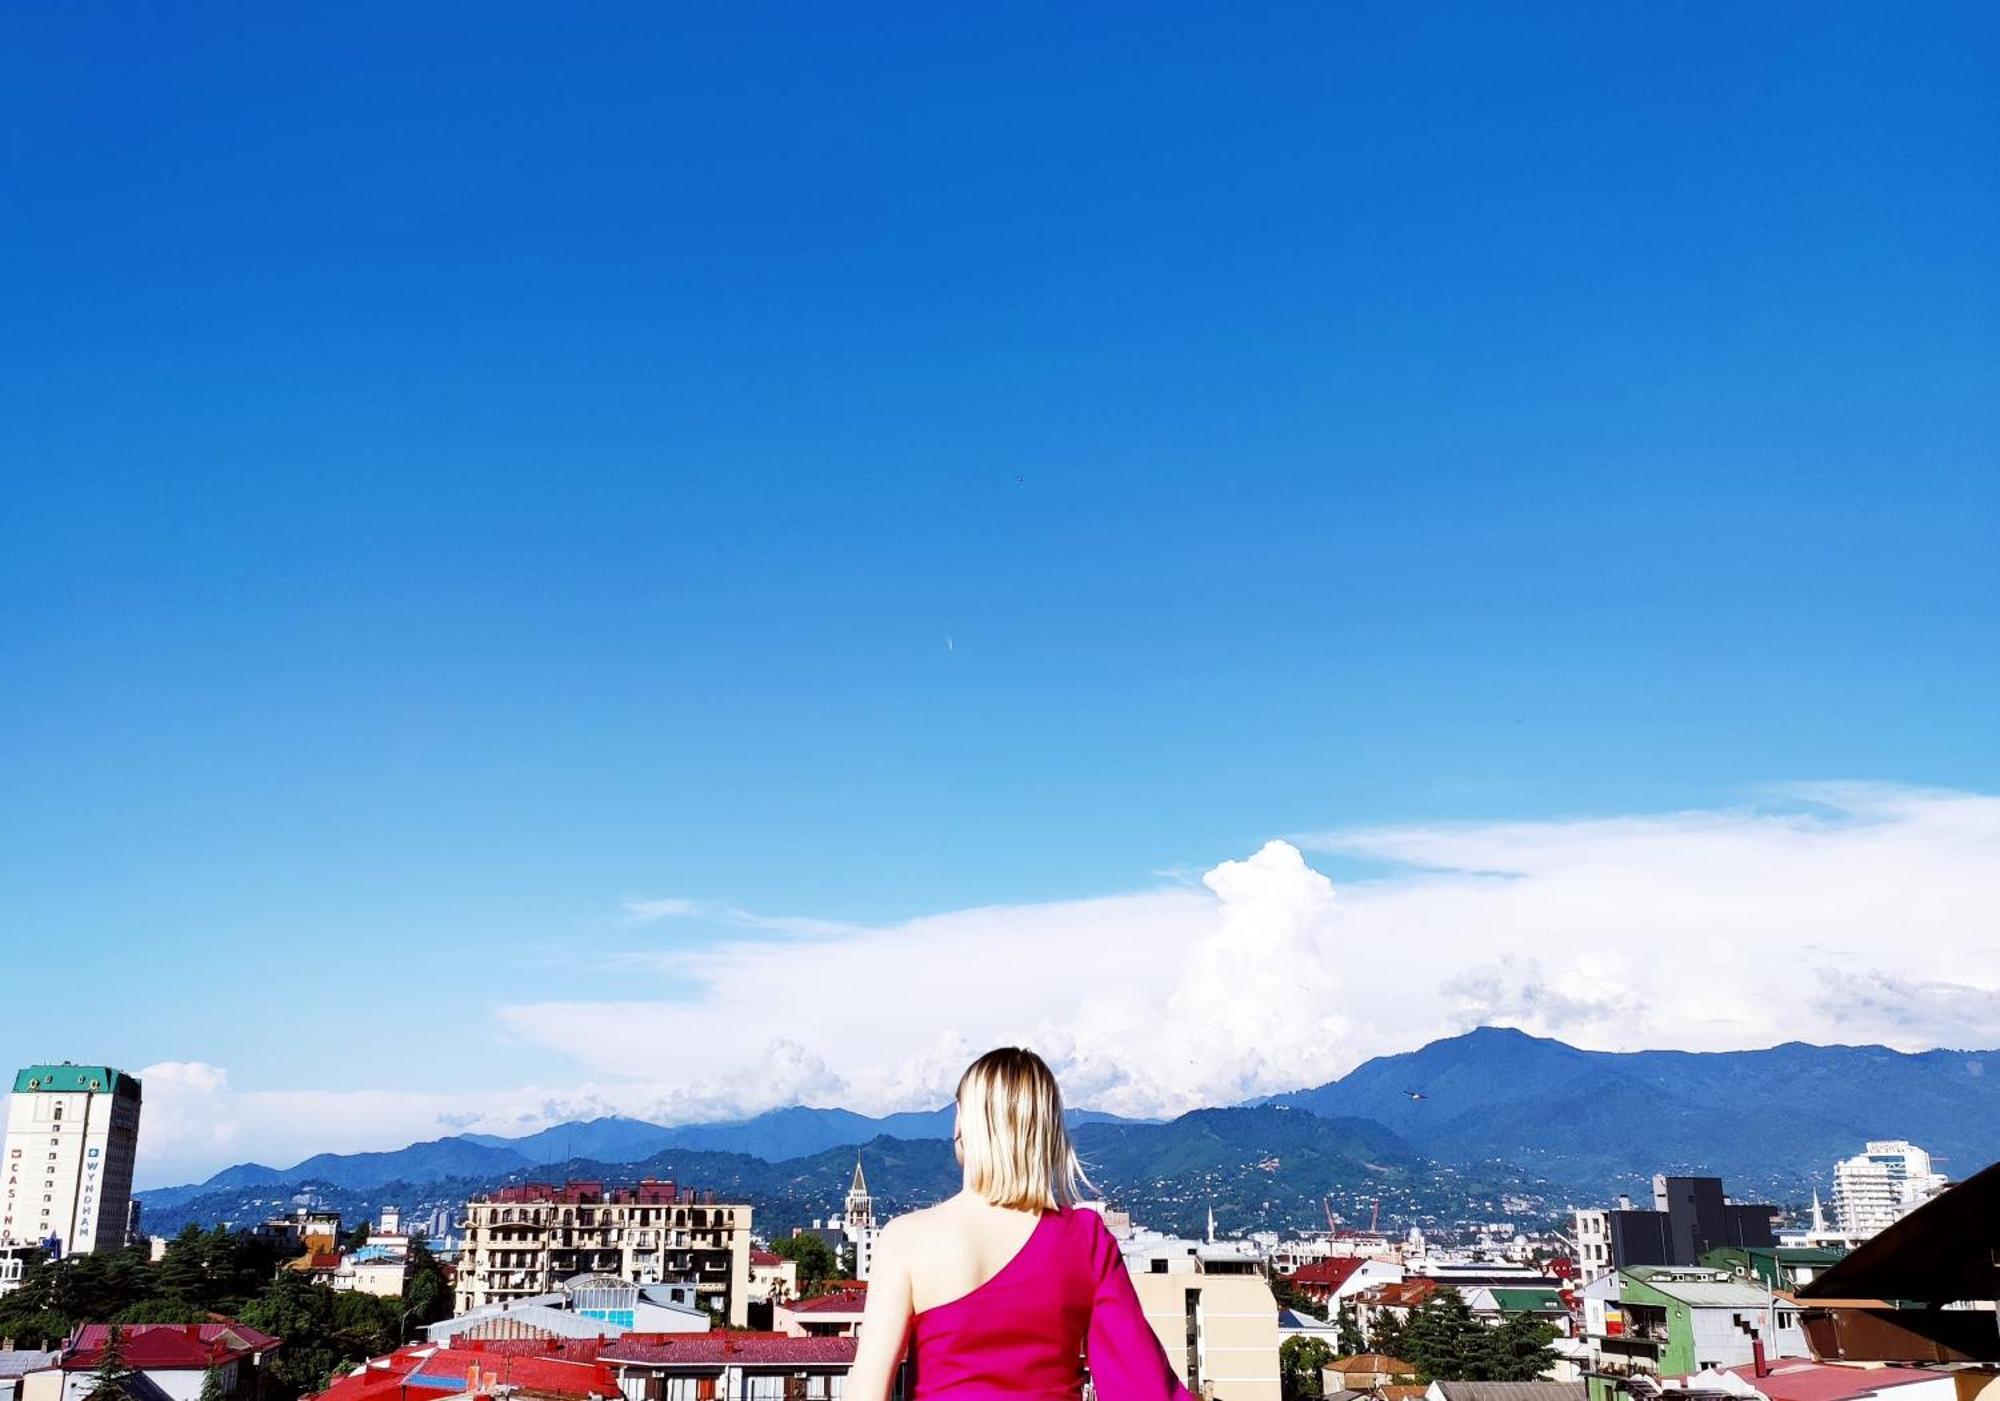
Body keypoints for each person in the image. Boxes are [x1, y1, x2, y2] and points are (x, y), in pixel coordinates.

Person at [846, 1047, 1197, 1401]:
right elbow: (1143, 1388)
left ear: (964, 1127)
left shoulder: (906, 1238)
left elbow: (865, 1392)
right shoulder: (1085, 1238)